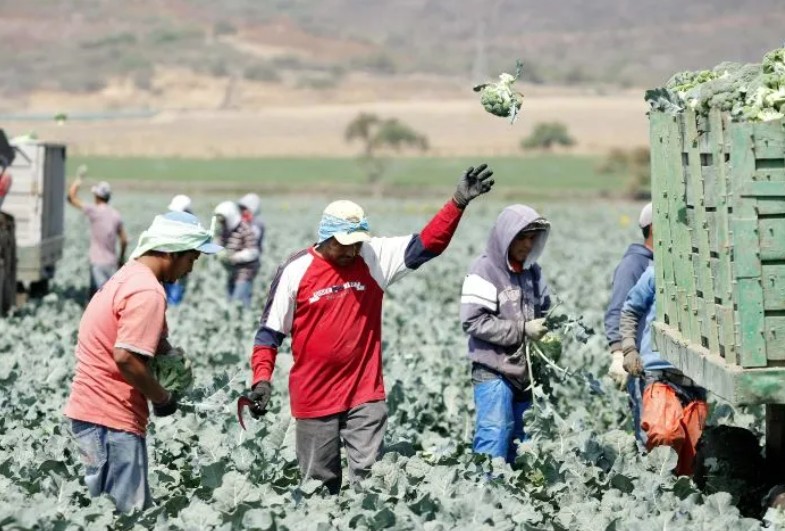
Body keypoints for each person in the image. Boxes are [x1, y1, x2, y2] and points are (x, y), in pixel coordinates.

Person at [245, 164, 494, 493]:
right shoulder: (296, 270)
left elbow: (427, 245)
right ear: (325, 237)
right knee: (318, 486)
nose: (352, 250)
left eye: (357, 243)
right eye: (344, 244)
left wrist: (457, 202)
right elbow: (269, 334)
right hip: (314, 396)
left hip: (365, 393)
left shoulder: (373, 255)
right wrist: (262, 379)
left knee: (372, 483)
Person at [63, 211, 222, 512]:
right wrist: (162, 398)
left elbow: (144, 338)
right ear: (171, 252)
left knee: (100, 513)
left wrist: (170, 355)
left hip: (90, 414)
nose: (190, 269)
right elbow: (125, 358)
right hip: (111, 420)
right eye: (191, 259)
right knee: (128, 514)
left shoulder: (129, 275)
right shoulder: (147, 291)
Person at [460, 205, 551, 463]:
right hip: (493, 369)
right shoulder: (484, 270)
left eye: (532, 238)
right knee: (495, 436)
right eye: (522, 238)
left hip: (525, 373)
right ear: (506, 237)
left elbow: (545, 310)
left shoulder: (533, 271)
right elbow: (473, 321)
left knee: (523, 443)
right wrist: (522, 329)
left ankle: (517, 489)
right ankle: (485, 488)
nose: (528, 244)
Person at [619, 264, 708, 476]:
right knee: (663, 435)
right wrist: (629, 349)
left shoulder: (708, 273)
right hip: (659, 375)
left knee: (689, 463)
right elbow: (630, 310)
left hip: (696, 379)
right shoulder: (655, 272)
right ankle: (653, 486)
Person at [604, 202, 653, 444]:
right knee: (649, 436)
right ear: (654, 228)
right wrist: (618, 353)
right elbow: (619, 310)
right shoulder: (634, 264)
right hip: (643, 366)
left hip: (667, 367)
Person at [67, 166, 128, 299]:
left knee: (97, 297)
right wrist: (121, 258)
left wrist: (78, 180)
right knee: (110, 296)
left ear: (97, 196)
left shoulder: (94, 211)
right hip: (111, 262)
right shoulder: (116, 215)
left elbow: (71, 197)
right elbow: (124, 240)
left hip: (97, 262)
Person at [213, 201, 260, 307]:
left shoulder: (245, 228)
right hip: (231, 271)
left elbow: (253, 252)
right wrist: (218, 252)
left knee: (239, 303)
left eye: (223, 220)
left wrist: (234, 257)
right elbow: (220, 243)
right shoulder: (225, 229)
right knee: (230, 303)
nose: (221, 222)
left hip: (245, 272)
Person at [164, 194, 194, 305]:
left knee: (175, 298)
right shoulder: (171, 221)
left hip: (179, 266)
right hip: (169, 265)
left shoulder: (191, 225)